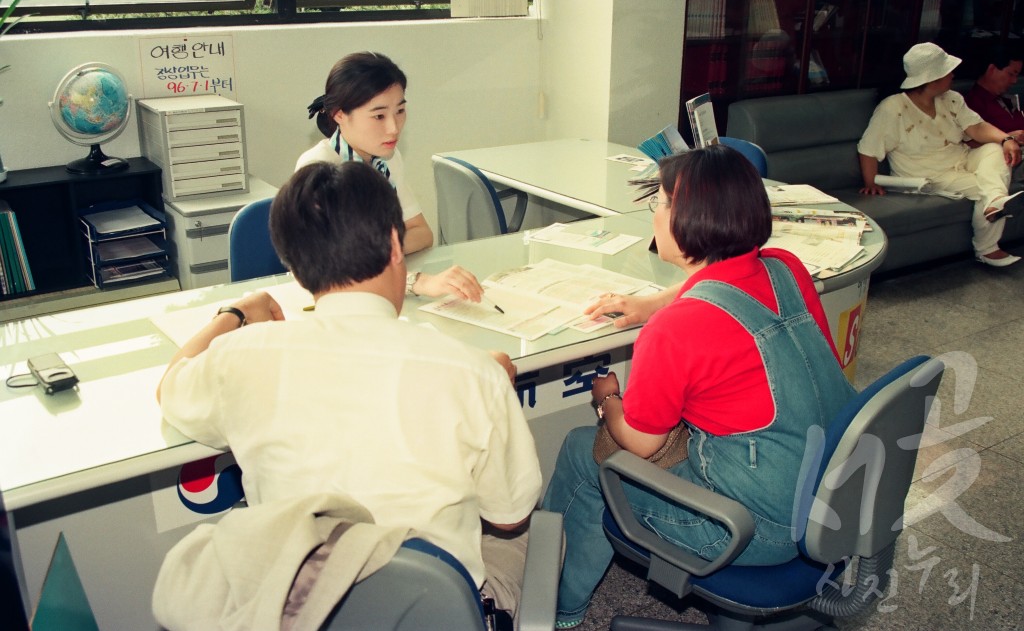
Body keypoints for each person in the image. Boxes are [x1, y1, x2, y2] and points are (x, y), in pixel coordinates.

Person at [156, 161, 542, 625]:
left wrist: (236, 312)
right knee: (526, 535)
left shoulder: (240, 356)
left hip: (302, 604)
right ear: (396, 246)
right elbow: (508, 516)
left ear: (296, 272)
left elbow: (169, 387)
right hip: (432, 610)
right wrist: (494, 388)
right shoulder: (469, 372)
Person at [541, 145, 856, 629]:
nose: (654, 214)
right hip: (832, 499)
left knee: (584, 451)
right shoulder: (784, 268)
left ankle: (550, 609)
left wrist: (607, 399)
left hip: (753, 531)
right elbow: (723, 281)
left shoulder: (677, 330)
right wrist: (652, 303)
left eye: (659, 202)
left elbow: (641, 444)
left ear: (687, 218)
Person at [300, 51, 485, 300]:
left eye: (400, 111)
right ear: (340, 114)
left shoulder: (387, 159)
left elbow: (421, 232)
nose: (394, 128)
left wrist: (373, 254)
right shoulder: (318, 170)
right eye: (379, 116)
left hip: (381, 295)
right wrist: (413, 279)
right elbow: (331, 267)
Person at [857, 42, 1023, 267]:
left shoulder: (952, 98)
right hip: (929, 173)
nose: (953, 75)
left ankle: (996, 201)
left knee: (994, 150)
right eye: (948, 71)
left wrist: (1006, 139)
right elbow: (868, 148)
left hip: (961, 157)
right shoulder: (893, 108)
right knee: (987, 187)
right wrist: (871, 182)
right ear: (933, 78)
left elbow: (976, 127)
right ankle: (987, 247)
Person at [963, 48, 1024, 142]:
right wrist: (1007, 139)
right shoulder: (972, 104)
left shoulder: (1003, 99)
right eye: (1011, 74)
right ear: (992, 69)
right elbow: (968, 145)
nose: (1014, 81)